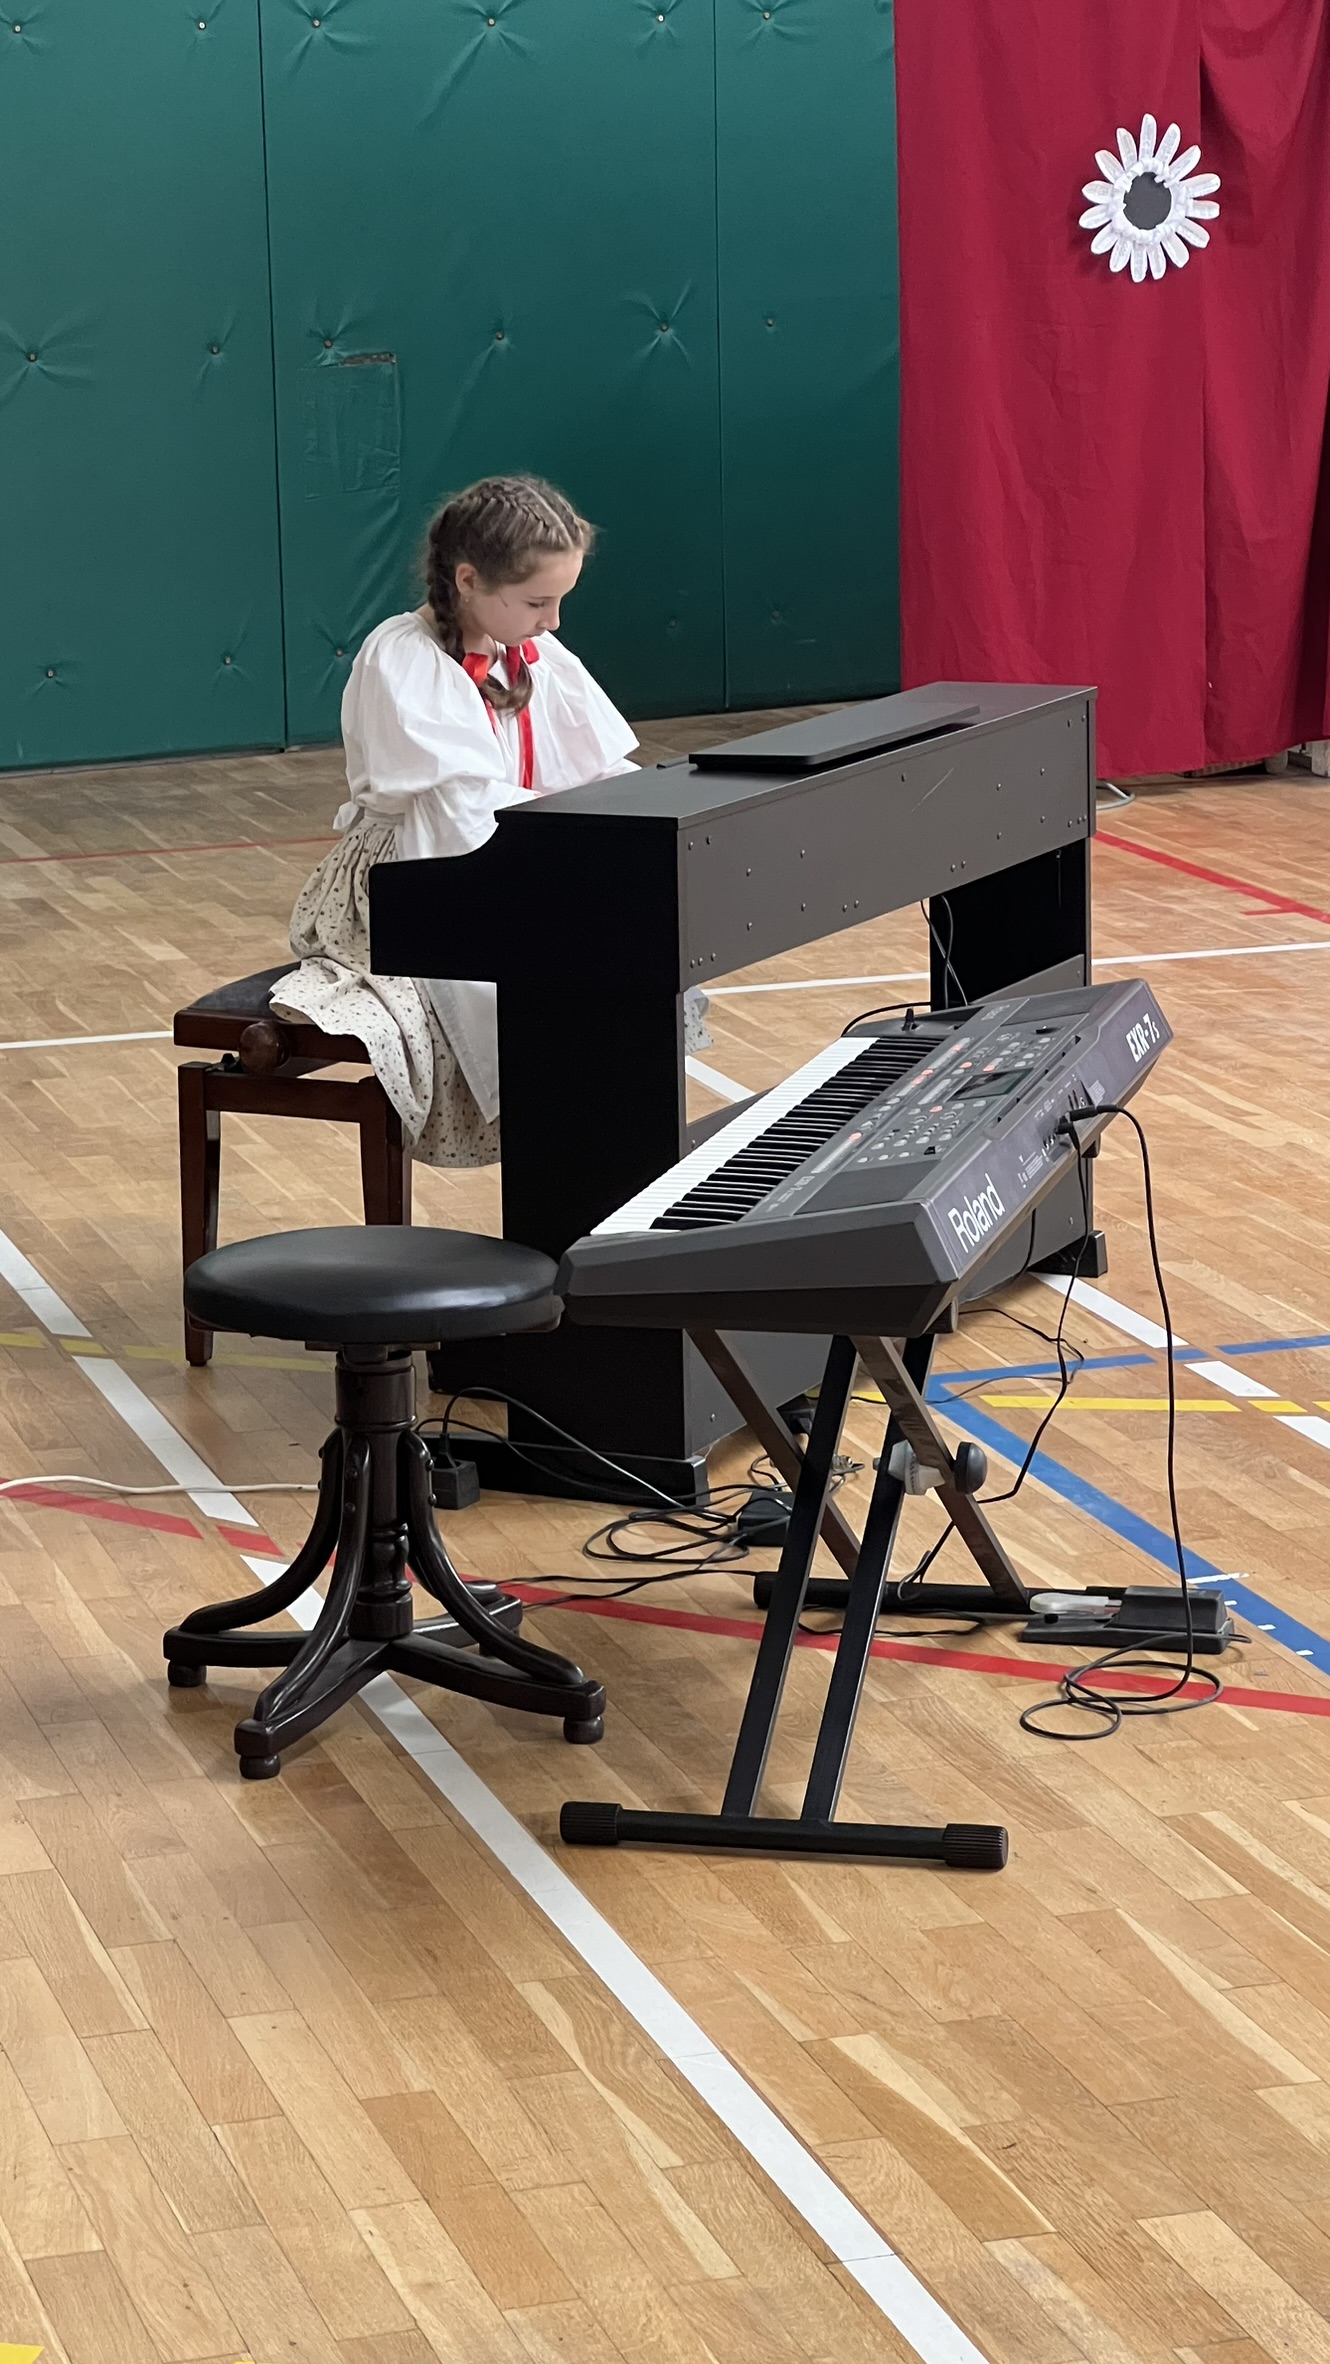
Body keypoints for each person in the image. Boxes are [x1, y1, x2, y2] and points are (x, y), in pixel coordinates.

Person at [275, 475, 706, 1166]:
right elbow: (462, 814)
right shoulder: (403, 658)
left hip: (519, 854)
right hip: (412, 881)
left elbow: (594, 770)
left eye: (560, 600)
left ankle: (612, 1157)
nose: (553, 621)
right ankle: (562, 1153)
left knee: (633, 944)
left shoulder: (534, 652)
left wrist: (653, 811)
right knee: (565, 959)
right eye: (537, 602)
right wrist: (570, 865)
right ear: (468, 580)